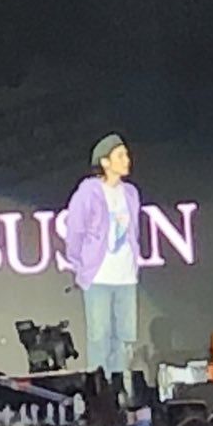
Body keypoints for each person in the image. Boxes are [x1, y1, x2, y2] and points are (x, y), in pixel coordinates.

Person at [65, 134, 144, 377]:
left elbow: (133, 231)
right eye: (120, 155)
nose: (127, 159)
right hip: (99, 277)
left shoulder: (130, 193)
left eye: (126, 154)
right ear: (105, 162)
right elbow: (74, 231)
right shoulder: (88, 192)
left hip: (126, 277)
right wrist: (81, 266)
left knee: (124, 338)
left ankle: (120, 387)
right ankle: (99, 389)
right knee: (99, 337)